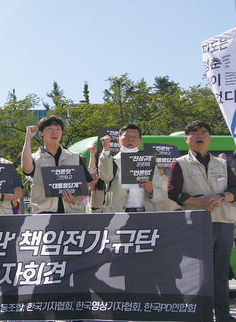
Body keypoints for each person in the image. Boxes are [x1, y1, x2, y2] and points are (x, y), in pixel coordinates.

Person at [168, 120, 236, 322]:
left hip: (223, 222)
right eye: (194, 132)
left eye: (204, 132)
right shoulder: (179, 163)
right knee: (195, 271)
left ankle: (223, 315)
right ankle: (197, 314)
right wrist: (201, 202)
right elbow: (173, 192)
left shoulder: (222, 164)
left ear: (209, 137)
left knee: (221, 272)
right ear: (187, 138)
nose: (200, 135)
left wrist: (221, 197)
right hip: (195, 223)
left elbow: (234, 189)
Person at [20, 115, 92, 213]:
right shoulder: (35, 158)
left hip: (72, 213)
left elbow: (87, 185)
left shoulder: (75, 157)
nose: (54, 132)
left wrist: (75, 199)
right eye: (50, 129)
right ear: (41, 132)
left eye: (58, 129)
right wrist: (28, 138)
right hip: (44, 213)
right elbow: (26, 168)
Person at [98, 124, 164, 212]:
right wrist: (106, 149)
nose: (130, 139)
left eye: (135, 136)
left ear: (140, 143)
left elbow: (160, 197)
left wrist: (151, 190)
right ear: (118, 141)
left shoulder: (149, 163)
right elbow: (105, 177)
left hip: (144, 213)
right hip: (118, 214)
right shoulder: (111, 160)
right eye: (127, 136)